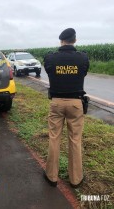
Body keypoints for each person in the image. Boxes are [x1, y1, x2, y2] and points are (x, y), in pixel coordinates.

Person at [43, 28, 89, 188]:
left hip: (56, 103)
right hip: (76, 104)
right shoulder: (83, 58)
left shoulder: (50, 58)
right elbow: (83, 73)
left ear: (61, 41)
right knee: (75, 140)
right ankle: (76, 179)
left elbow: (49, 70)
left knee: (54, 138)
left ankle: (51, 176)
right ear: (74, 40)